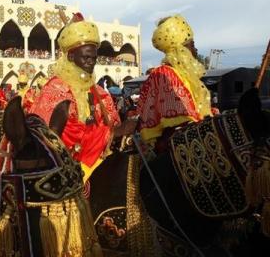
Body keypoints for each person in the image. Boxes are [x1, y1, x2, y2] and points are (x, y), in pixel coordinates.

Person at [30, 13, 134, 180]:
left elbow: (113, 126)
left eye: (94, 58)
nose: (91, 63)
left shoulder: (100, 92)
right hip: (66, 176)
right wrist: (112, 133)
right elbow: (46, 141)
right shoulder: (55, 90)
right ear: (71, 56)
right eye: (86, 57)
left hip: (101, 168)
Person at [137, 15, 213, 154]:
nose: (195, 51)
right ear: (181, 50)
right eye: (192, 45)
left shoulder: (186, 76)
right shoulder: (164, 74)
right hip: (175, 151)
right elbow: (179, 125)